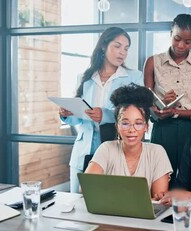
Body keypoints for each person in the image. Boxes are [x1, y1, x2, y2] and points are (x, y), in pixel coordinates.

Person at [59, 27, 143, 193]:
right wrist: (67, 115)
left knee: (109, 204)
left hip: (115, 148)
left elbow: (137, 113)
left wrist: (103, 114)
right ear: (104, 46)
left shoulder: (134, 77)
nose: (122, 52)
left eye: (126, 48)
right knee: (77, 202)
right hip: (83, 150)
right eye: (117, 46)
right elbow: (80, 117)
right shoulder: (86, 77)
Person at [143, 13, 191, 184]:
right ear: (170, 33)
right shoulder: (153, 62)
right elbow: (146, 101)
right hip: (162, 129)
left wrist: (175, 112)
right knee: (160, 179)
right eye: (177, 38)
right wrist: (158, 110)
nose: (181, 45)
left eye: (188, 42)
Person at [85, 84, 173, 197]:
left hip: (144, 214)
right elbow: (86, 187)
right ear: (117, 126)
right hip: (110, 212)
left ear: (146, 127)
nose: (132, 130)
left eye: (138, 123)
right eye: (125, 123)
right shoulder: (106, 148)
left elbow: (159, 198)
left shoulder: (157, 152)